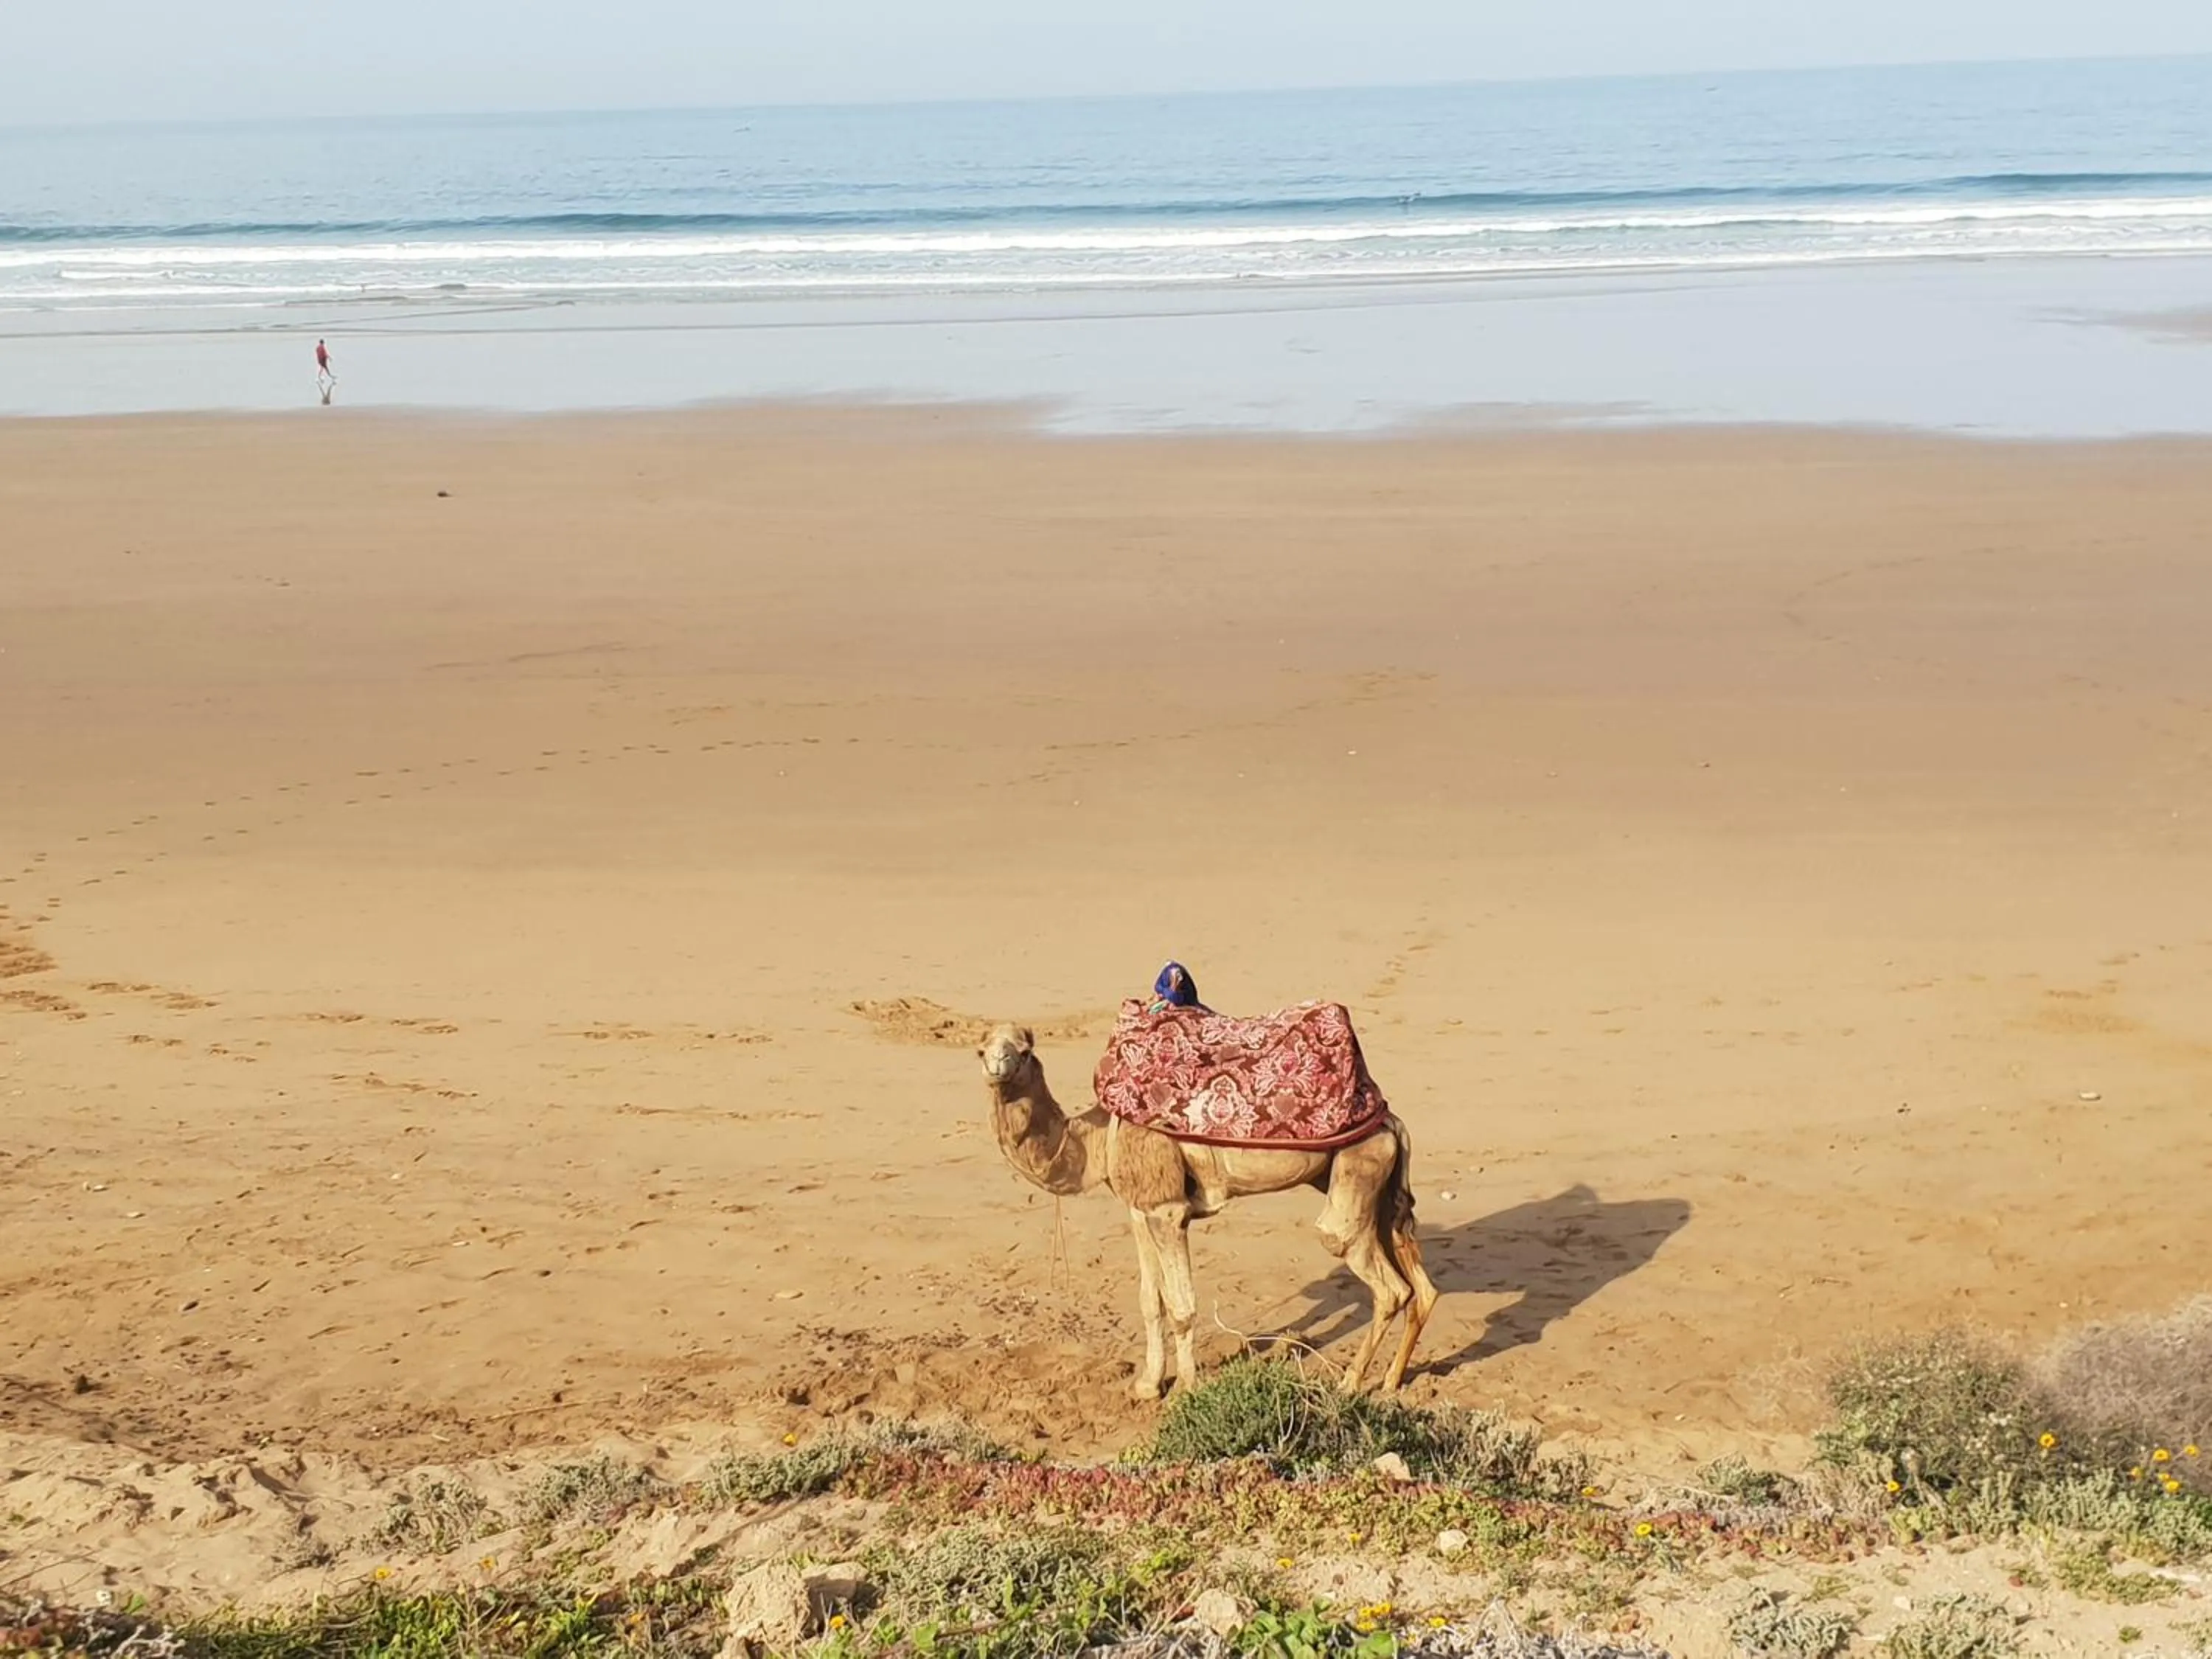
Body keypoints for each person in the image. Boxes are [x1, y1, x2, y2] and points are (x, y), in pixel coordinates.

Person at [1147, 961, 1211, 1015]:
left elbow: (1175, 997)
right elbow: (1159, 988)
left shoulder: (1180, 981)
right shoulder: (1164, 980)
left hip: (1182, 998)